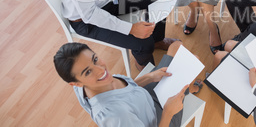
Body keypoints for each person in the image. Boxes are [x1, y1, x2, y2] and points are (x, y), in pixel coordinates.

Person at [54, 41, 199, 127]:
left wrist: (150, 77)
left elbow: (126, 92)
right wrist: (168, 112)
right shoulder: (117, 115)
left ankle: (187, 88)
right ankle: (189, 89)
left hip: (144, 99)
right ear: (75, 84)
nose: (101, 70)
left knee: (176, 46)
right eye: (87, 72)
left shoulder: (85, 85)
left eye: (95, 59)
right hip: (160, 119)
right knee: (194, 60)